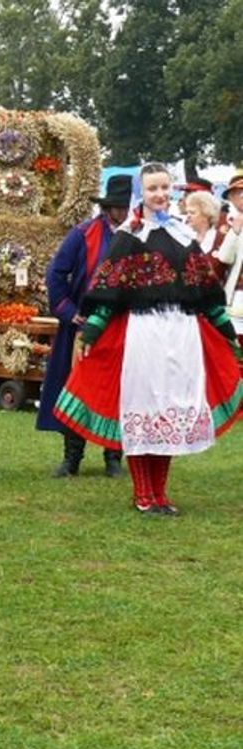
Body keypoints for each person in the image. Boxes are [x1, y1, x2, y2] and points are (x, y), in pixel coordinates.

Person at [53, 162, 242, 515]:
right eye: (152, 188)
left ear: (171, 190)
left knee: (172, 408)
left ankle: (160, 493)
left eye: (164, 188)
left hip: (181, 332)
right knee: (145, 407)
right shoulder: (129, 236)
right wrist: (93, 329)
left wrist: (227, 334)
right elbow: (108, 290)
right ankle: (143, 493)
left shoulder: (183, 236)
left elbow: (205, 291)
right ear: (144, 192)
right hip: (144, 333)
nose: (159, 194)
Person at [39, 174, 132, 478]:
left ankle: (113, 456)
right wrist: (67, 311)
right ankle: (72, 457)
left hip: (122, 325)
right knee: (75, 387)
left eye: (126, 205)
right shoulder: (82, 234)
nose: (122, 210)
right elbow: (56, 274)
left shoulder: (139, 235)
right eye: (118, 205)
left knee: (119, 390)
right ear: (108, 207)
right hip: (84, 323)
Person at [217, 172, 243, 330]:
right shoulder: (230, 222)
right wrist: (235, 232)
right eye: (237, 194)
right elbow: (224, 258)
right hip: (237, 292)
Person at [185, 190, 223, 254]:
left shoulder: (218, 238)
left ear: (206, 215)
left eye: (192, 213)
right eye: (187, 212)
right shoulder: (185, 236)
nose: (188, 216)